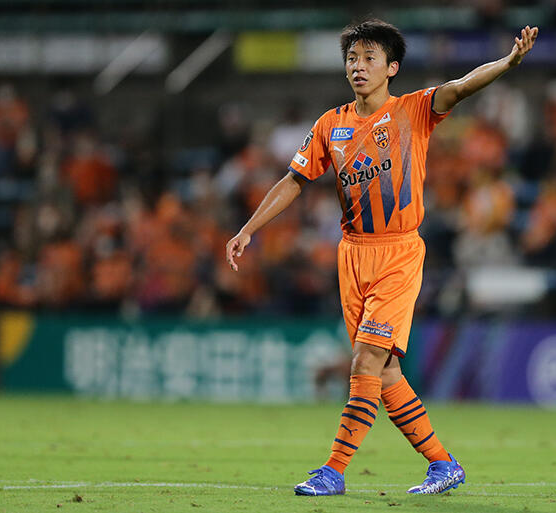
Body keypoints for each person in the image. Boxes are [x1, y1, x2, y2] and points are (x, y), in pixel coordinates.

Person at [226, 19, 538, 496]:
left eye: (369, 58)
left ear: (391, 68)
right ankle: (443, 464)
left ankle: (333, 470)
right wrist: (248, 229)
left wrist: (509, 62)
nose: (358, 66)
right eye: (352, 58)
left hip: (398, 252)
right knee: (385, 370)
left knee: (366, 360)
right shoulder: (330, 125)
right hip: (352, 255)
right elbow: (294, 180)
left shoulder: (413, 110)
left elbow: (461, 86)